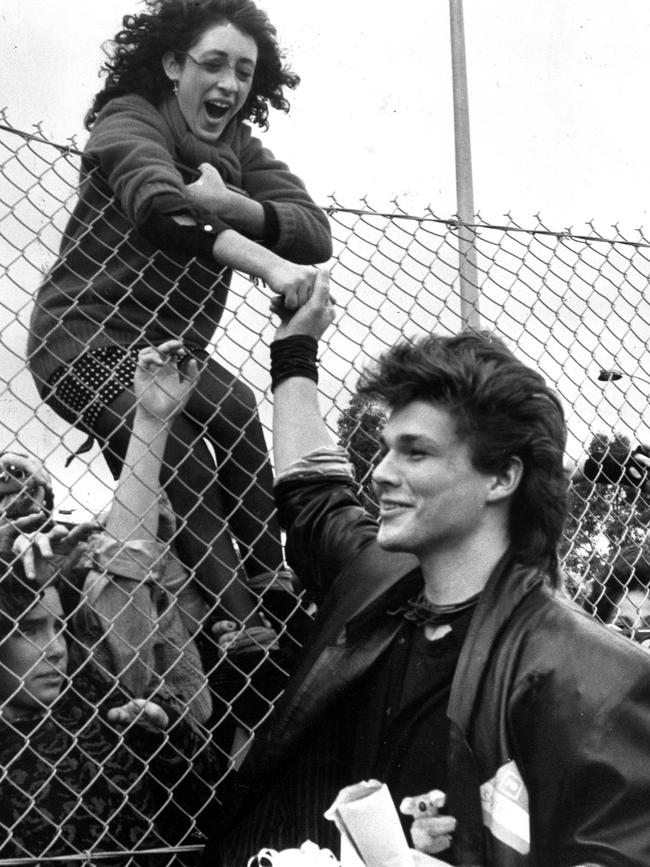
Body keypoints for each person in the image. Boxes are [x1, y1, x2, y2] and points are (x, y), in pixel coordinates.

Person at [201, 271, 650, 866]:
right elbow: (313, 492)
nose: (382, 472)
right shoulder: (374, 581)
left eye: (416, 452)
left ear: (502, 477)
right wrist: (294, 349)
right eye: (387, 448)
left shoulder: (590, 675)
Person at [26, 0, 332, 635]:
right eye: (213, 64)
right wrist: (269, 266)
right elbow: (163, 209)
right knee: (184, 459)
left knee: (239, 408)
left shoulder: (240, 150)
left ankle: (271, 578)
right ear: (172, 63)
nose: (228, 84)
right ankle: (246, 625)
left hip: (168, 351)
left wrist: (232, 203)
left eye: (243, 72)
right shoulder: (129, 120)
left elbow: (313, 232)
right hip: (82, 342)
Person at [0, 342, 220, 863]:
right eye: (29, 630)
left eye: (53, 628)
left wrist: (150, 423)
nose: (55, 650)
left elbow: (126, 562)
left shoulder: (96, 686)